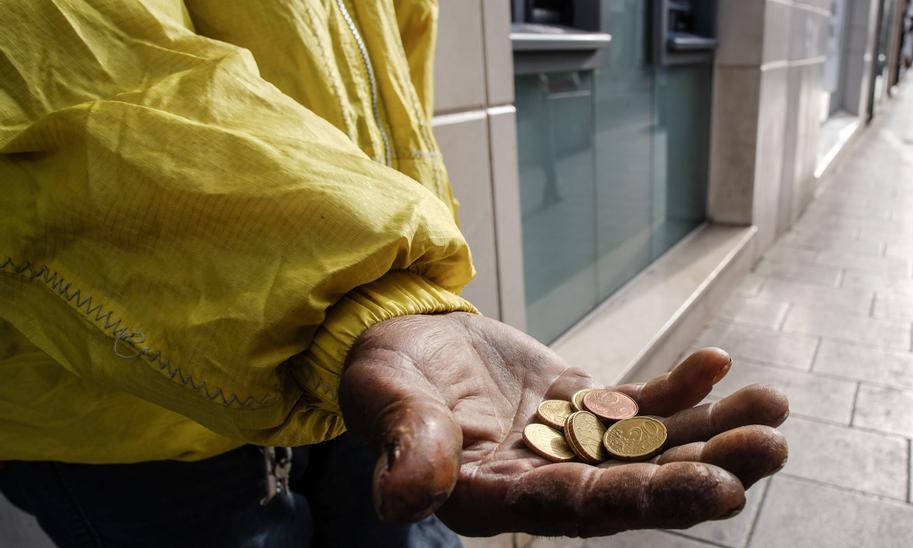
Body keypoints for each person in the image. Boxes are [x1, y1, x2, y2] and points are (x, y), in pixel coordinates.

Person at [0, 2, 790, 546]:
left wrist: (397, 301)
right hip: (121, 410)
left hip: (370, 357)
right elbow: (66, 88)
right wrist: (366, 297)